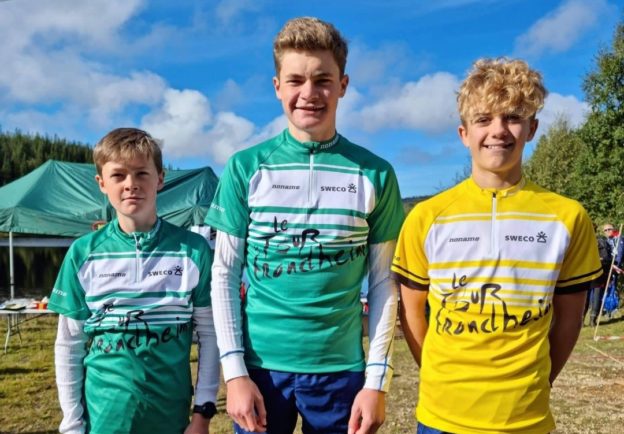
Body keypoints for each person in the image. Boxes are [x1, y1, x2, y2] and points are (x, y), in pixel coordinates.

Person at [204, 16, 404, 434]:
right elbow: (224, 274)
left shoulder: (376, 173)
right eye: (295, 80)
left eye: (323, 80)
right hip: (260, 371)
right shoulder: (244, 168)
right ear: (277, 86)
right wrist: (234, 373)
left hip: (340, 372)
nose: (309, 93)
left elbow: (384, 282)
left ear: (343, 85)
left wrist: (376, 381)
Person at [392, 58, 602, 434]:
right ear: (463, 133)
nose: (498, 130)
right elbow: (412, 313)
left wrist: (535, 386)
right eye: (484, 119)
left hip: (526, 420)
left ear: (532, 128)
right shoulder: (426, 217)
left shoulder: (568, 217)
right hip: (441, 419)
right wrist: (441, 380)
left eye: (513, 117)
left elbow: (569, 320)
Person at [48, 128, 220, 434]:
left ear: (160, 179)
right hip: (103, 421)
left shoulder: (193, 251)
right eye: (118, 175)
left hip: (171, 420)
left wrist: (202, 413)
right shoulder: (83, 253)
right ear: (101, 183)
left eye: (142, 173)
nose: (131, 184)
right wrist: (72, 425)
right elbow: (69, 345)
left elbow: (210, 335)